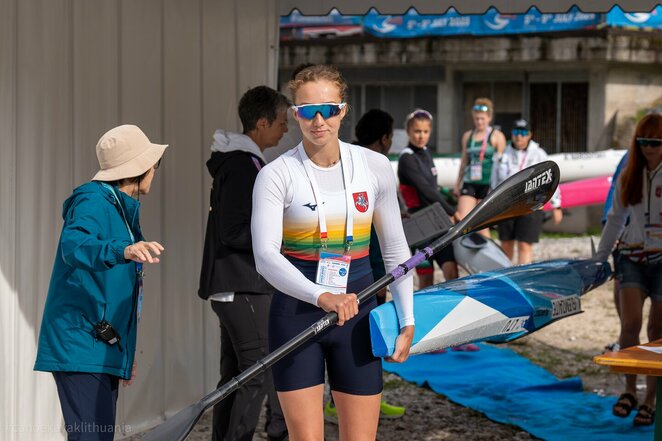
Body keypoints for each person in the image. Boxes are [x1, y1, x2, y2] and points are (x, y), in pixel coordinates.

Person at [251, 64, 414, 440]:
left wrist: (408, 317)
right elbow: (265, 256)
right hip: (296, 314)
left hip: (356, 313)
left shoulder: (374, 167)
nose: (318, 119)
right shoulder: (276, 175)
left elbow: (394, 247)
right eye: (308, 111)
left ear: (343, 110)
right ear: (296, 115)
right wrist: (320, 295)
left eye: (328, 109)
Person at [34, 124, 167, 441]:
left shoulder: (118, 207)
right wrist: (123, 250)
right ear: (139, 169)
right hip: (81, 345)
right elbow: (74, 246)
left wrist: (125, 355)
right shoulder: (94, 200)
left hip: (99, 345)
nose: (155, 171)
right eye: (154, 165)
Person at [198, 85, 290, 441]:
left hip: (235, 285)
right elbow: (232, 231)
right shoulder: (242, 166)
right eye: (282, 123)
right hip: (243, 285)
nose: (285, 130)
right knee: (257, 375)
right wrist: (281, 237)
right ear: (262, 123)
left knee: (235, 376)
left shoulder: (244, 162)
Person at [321, 108, 406, 423]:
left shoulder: (357, 163)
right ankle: (341, 400)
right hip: (360, 268)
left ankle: (365, 397)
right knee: (357, 333)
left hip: (360, 265)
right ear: (384, 138)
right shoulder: (365, 165)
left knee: (362, 333)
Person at [596, 113, 662, 426]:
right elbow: (615, 218)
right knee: (630, 325)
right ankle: (629, 391)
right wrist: (600, 257)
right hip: (631, 257)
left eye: (656, 142)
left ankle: (651, 398)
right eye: (644, 142)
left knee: (657, 333)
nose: (649, 148)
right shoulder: (629, 173)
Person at [397, 109, 459, 289]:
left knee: (452, 273)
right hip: (418, 228)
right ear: (408, 132)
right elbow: (425, 190)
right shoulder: (406, 158)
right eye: (417, 131)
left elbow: (434, 188)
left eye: (425, 132)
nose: (421, 136)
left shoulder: (426, 154)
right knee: (426, 280)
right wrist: (453, 211)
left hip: (437, 224)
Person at [491, 119, 562, 264]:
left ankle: (521, 279)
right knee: (506, 243)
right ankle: (504, 277)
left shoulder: (539, 154)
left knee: (524, 244)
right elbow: (494, 180)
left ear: (530, 135)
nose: (519, 136)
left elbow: (551, 179)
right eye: (516, 132)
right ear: (512, 133)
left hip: (531, 203)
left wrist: (557, 206)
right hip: (507, 204)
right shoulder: (503, 153)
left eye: (523, 133)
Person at [455, 98, 507, 237]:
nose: (479, 122)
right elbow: (464, 160)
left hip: (487, 184)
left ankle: (487, 252)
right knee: (462, 219)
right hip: (470, 181)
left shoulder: (496, 136)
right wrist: (457, 183)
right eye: (477, 119)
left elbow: (503, 163)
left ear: (489, 118)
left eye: (482, 119)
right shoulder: (468, 136)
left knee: (481, 224)